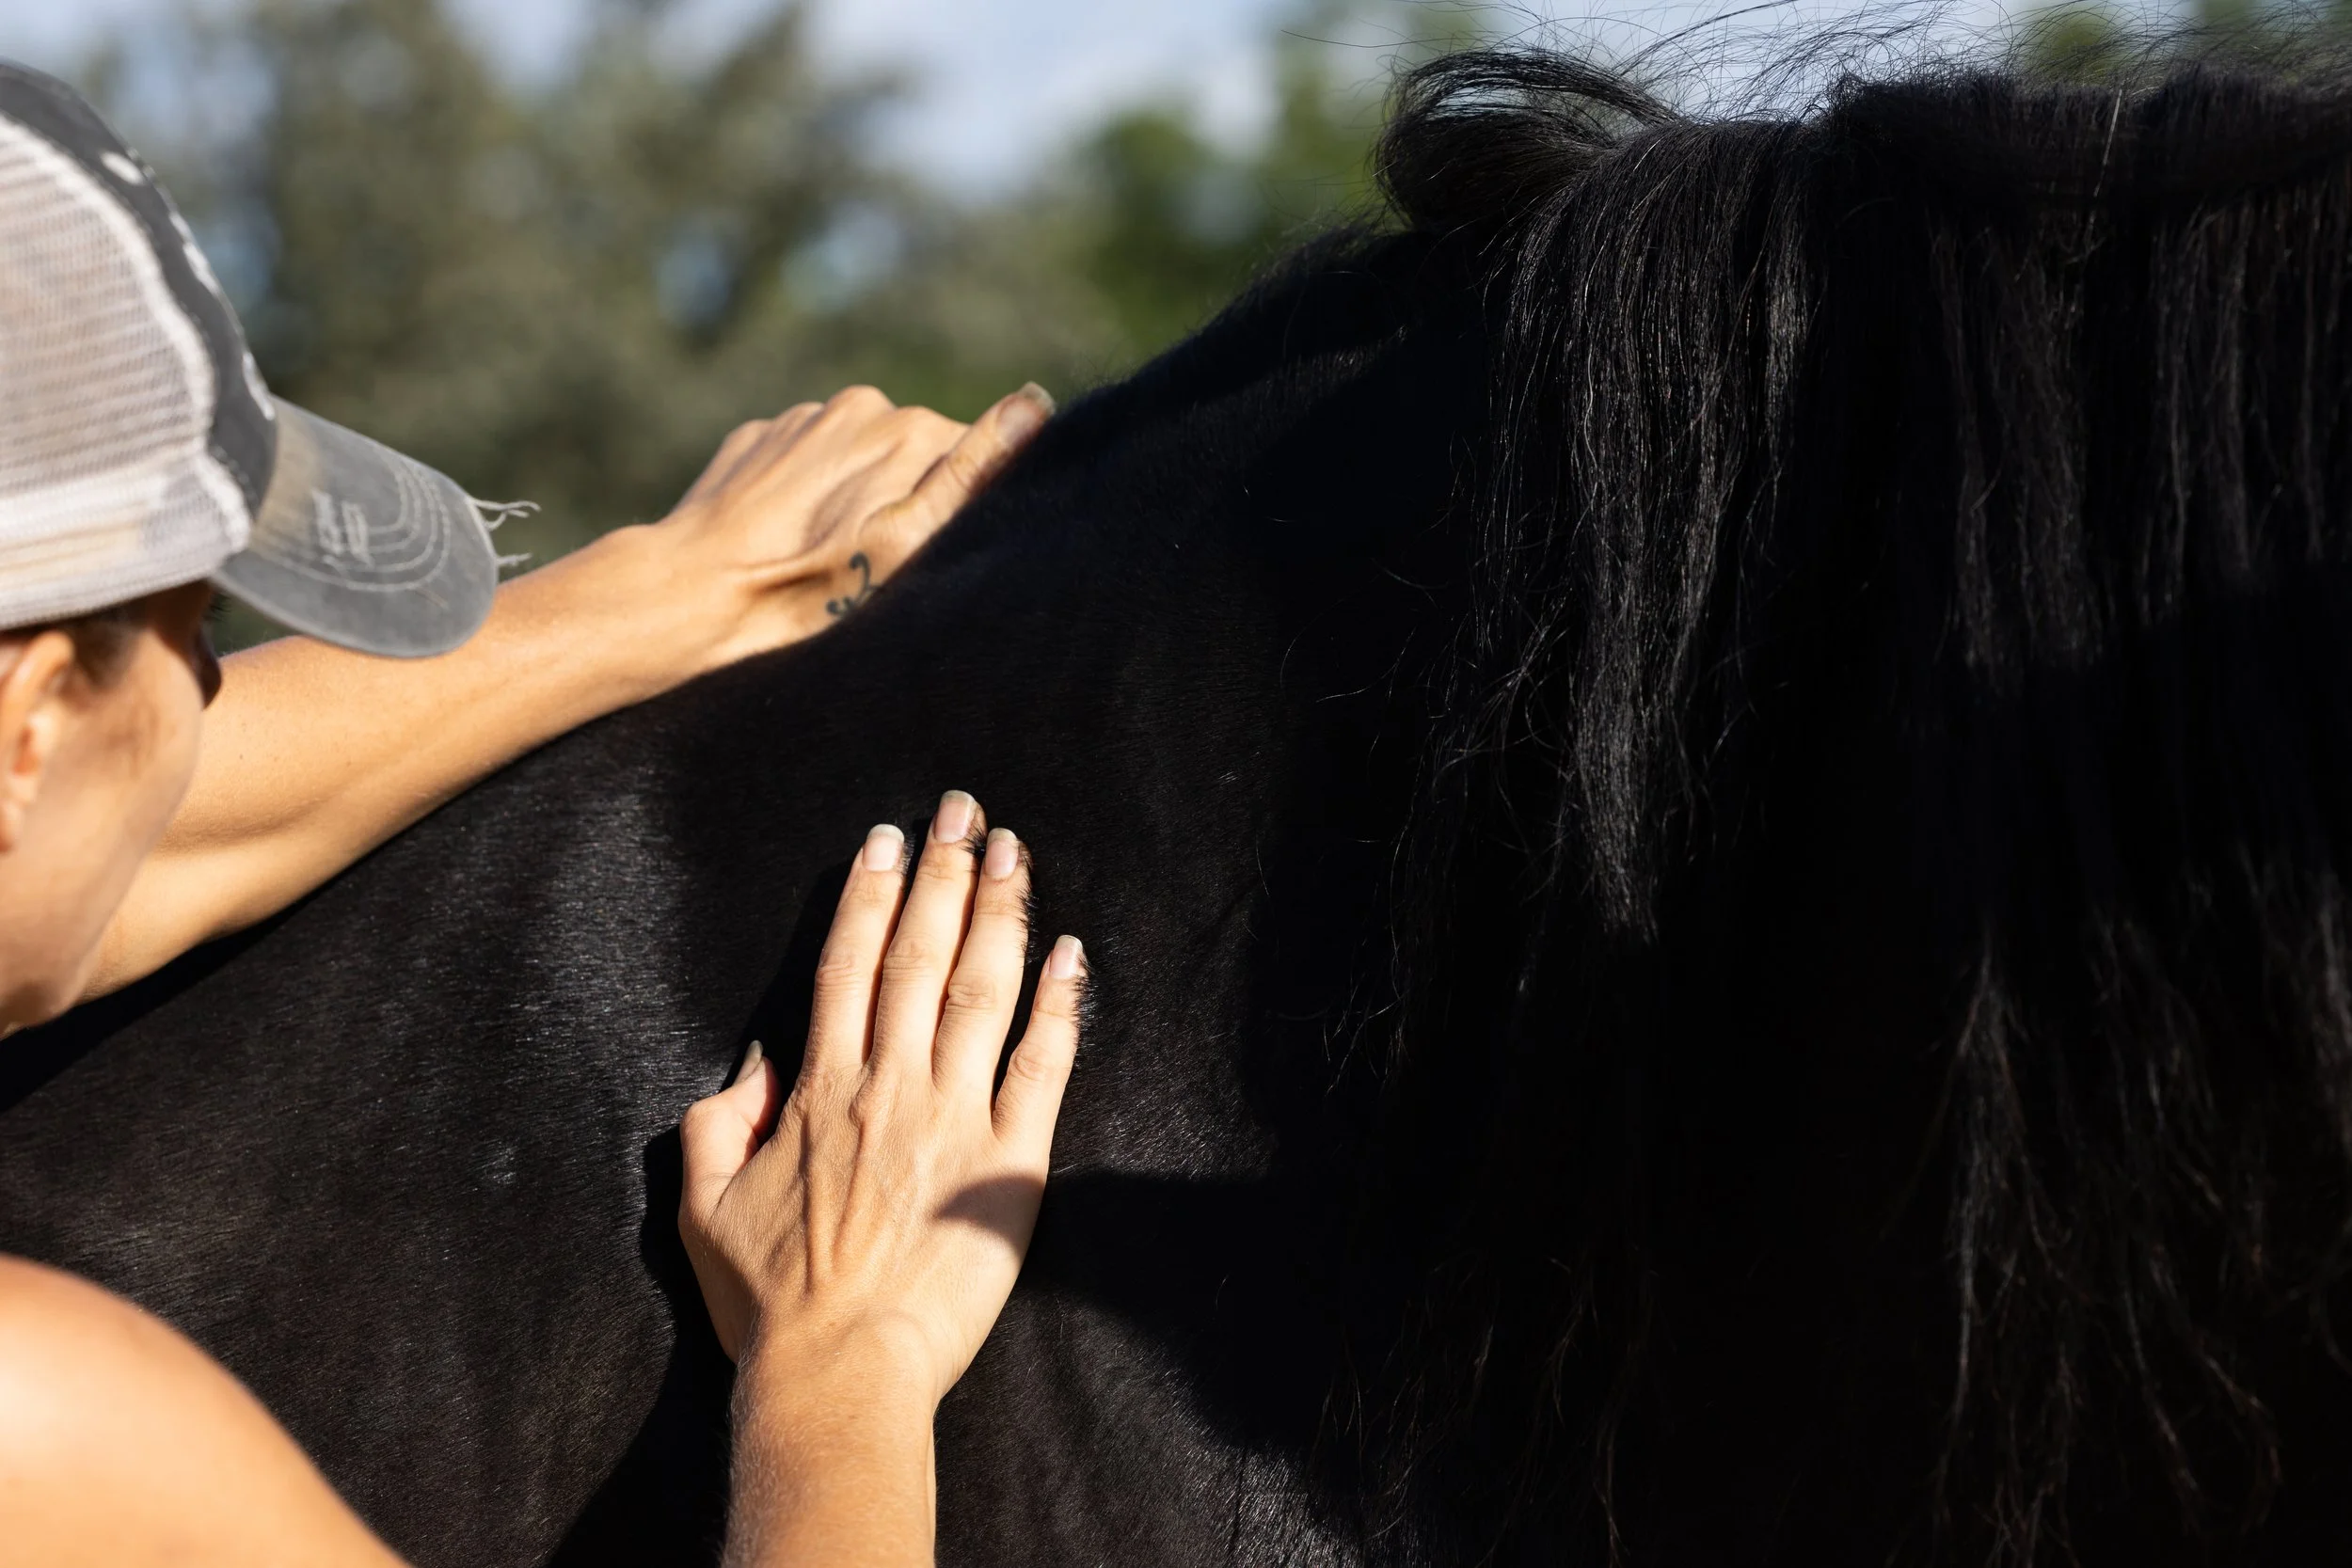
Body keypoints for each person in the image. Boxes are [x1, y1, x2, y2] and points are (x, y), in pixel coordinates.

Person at [0, 62, 1082, 1566]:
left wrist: (682, 587)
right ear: (33, 719)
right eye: (194, 641)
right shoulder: (46, 1430)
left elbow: (140, 845)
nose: (207, 701)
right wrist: (842, 1376)